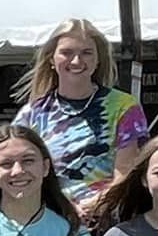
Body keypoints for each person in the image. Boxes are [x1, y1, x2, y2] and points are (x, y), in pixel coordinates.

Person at [14, 19, 148, 212]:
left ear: (98, 59)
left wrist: (89, 207)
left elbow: (125, 174)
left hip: (105, 218)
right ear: (52, 59)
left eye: (86, 53)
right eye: (66, 53)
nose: (76, 61)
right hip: (49, 217)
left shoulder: (124, 107)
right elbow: (20, 171)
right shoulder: (32, 114)